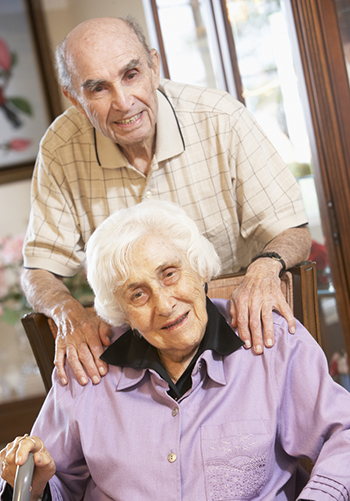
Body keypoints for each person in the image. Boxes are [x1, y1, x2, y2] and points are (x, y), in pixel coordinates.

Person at [1, 200, 347, 501]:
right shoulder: (87, 371)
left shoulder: (269, 343)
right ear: (124, 315)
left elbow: (343, 432)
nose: (164, 304)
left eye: (169, 273)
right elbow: (51, 487)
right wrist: (32, 489)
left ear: (198, 269)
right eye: (138, 294)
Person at [21, 16, 311, 387]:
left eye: (131, 74)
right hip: (138, 355)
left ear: (154, 67)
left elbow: (293, 231)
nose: (123, 103)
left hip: (238, 334)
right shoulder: (60, 148)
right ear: (75, 98)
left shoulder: (221, 119)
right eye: (98, 89)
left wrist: (265, 269)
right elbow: (38, 271)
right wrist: (69, 314)